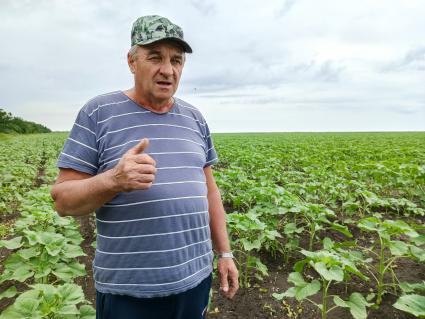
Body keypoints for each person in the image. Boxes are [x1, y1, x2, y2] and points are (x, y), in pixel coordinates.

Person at [51, 15, 238, 319]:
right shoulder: (98, 113)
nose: (168, 70)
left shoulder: (194, 118)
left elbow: (209, 191)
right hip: (130, 293)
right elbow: (62, 200)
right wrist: (113, 179)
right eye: (155, 57)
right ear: (131, 61)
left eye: (176, 60)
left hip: (195, 282)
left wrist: (225, 253)